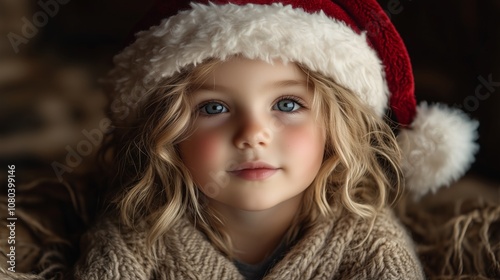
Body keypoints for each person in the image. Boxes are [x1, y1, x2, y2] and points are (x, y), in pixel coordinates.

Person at [73, 0, 478, 279]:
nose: (252, 135)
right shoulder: (134, 236)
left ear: (336, 127)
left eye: (286, 104)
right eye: (213, 108)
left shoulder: (372, 245)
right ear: (167, 134)